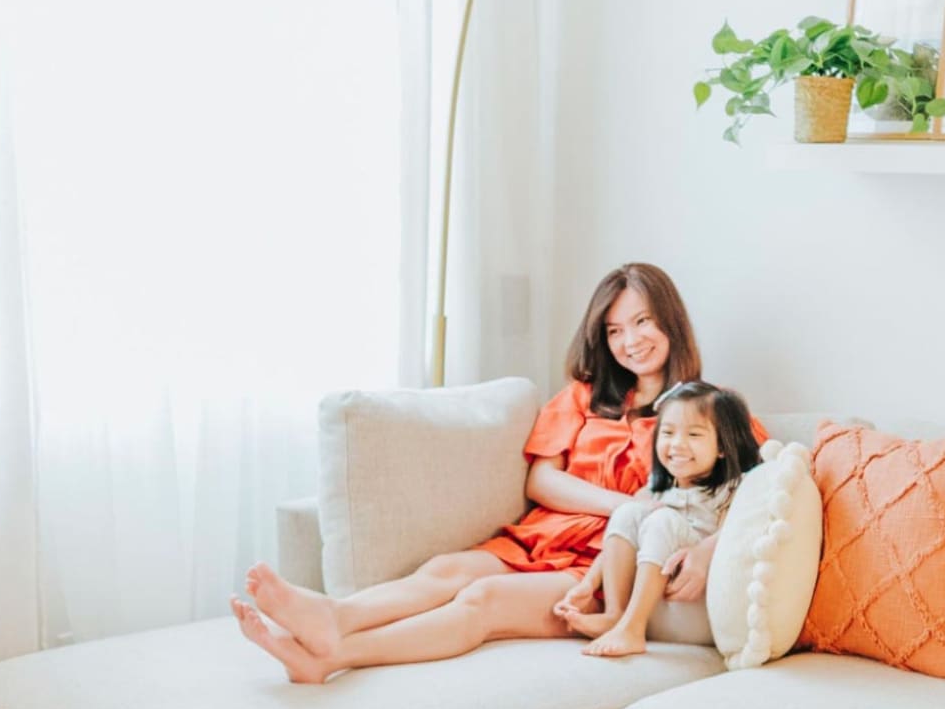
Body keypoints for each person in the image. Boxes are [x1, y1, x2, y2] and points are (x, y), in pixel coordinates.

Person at [231, 263, 743, 682]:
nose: (630, 341)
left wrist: (704, 550)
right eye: (614, 330)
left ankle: (333, 655)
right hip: (542, 537)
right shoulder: (586, 395)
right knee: (446, 571)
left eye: (642, 322)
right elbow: (541, 481)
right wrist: (623, 505)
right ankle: (334, 617)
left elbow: (763, 489)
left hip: (602, 568)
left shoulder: (706, 410)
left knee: (482, 601)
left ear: (669, 322)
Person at [558, 382, 761, 658]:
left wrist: (703, 551)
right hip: (659, 609)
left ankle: (631, 628)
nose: (677, 444)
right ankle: (616, 615)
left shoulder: (737, 487)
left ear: (723, 447)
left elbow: (740, 530)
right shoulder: (654, 492)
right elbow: (618, 543)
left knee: (661, 519)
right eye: (667, 432)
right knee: (628, 511)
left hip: (698, 609)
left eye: (694, 434)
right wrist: (587, 585)